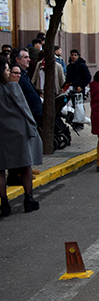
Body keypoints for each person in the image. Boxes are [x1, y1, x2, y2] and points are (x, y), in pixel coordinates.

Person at [0, 56, 44, 217]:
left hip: (2, 133)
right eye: (6, 70)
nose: (9, 73)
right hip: (18, 131)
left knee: (1, 170)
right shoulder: (13, 87)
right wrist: (33, 126)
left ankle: (4, 204)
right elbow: (24, 109)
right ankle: (28, 199)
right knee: (25, 165)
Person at [10, 48, 42, 127]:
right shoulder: (17, 77)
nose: (29, 60)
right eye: (26, 57)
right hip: (29, 117)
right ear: (17, 59)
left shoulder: (24, 74)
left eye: (29, 57)